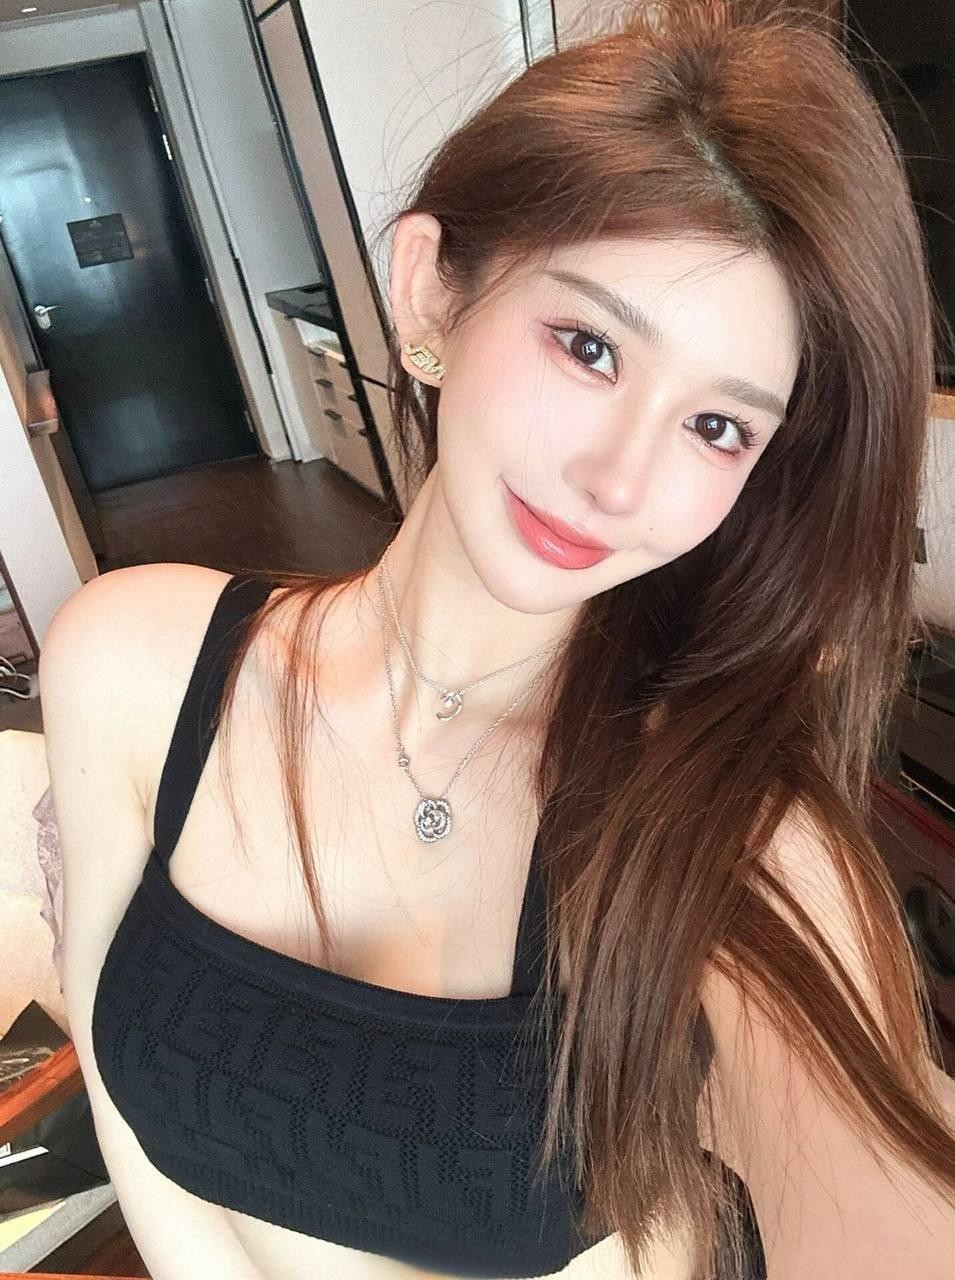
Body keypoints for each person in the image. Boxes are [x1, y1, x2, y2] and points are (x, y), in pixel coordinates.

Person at [38, 2, 955, 1278]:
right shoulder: (129, 662)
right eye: (589, 346)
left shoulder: (734, 834)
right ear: (431, 290)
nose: (617, 480)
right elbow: (130, 1109)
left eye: (717, 427)